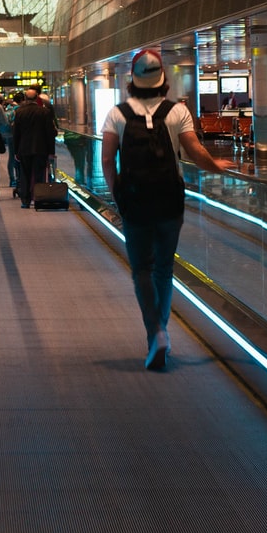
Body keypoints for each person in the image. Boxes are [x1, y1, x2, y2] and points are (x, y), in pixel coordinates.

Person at [101, 46, 226, 370]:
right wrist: (218, 167)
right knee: (164, 268)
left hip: (135, 200)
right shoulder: (177, 111)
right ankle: (163, 330)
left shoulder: (117, 113)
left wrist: (119, 198)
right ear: (163, 77)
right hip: (170, 198)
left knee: (141, 269)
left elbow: (107, 161)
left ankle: (155, 333)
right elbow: (195, 152)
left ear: (132, 78)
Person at [10, 86, 57, 207]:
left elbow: (16, 133)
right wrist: (51, 151)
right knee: (39, 174)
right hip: (41, 149)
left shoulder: (19, 112)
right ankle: (38, 198)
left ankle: (25, 201)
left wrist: (16, 151)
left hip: (24, 149)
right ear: (37, 98)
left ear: (25, 98)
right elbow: (50, 133)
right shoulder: (44, 112)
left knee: (24, 174)